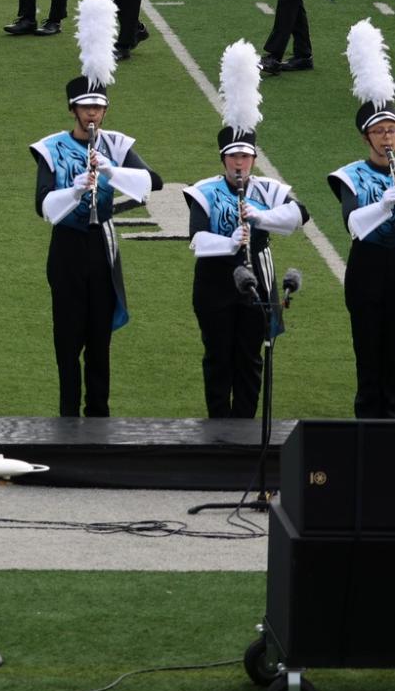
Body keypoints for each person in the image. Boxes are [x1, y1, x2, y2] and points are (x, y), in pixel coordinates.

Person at [31, 29, 163, 419]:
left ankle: (99, 417)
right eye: (85, 108)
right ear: (73, 109)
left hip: (101, 247)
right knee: (67, 340)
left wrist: (109, 169)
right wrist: (75, 190)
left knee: (99, 341)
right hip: (68, 246)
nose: (92, 115)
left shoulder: (116, 144)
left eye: (98, 108)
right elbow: (42, 206)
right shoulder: (51, 147)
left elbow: (151, 182)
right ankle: (68, 417)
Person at [183, 95, 306, 419]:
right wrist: (230, 241)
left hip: (257, 284)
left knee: (251, 358)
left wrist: (262, 219)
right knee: (218, 356)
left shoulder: (267, 189)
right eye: (234, 156)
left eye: (246, 157)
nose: (240, 163)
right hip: (215, 283)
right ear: (224, 159)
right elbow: (196, 237)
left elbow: (299, 215)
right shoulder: (205, 190)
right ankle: (219, 425)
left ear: (253, 159)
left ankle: (247, 429)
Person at [331, 23, 395, 418]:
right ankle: (368, 416)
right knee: (369, 346)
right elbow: (352, 223)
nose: (388, 138)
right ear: (365, 138)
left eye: (392, 130)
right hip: (369, 267)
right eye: (380, 132)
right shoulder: (351, 174)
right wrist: (387, 203)